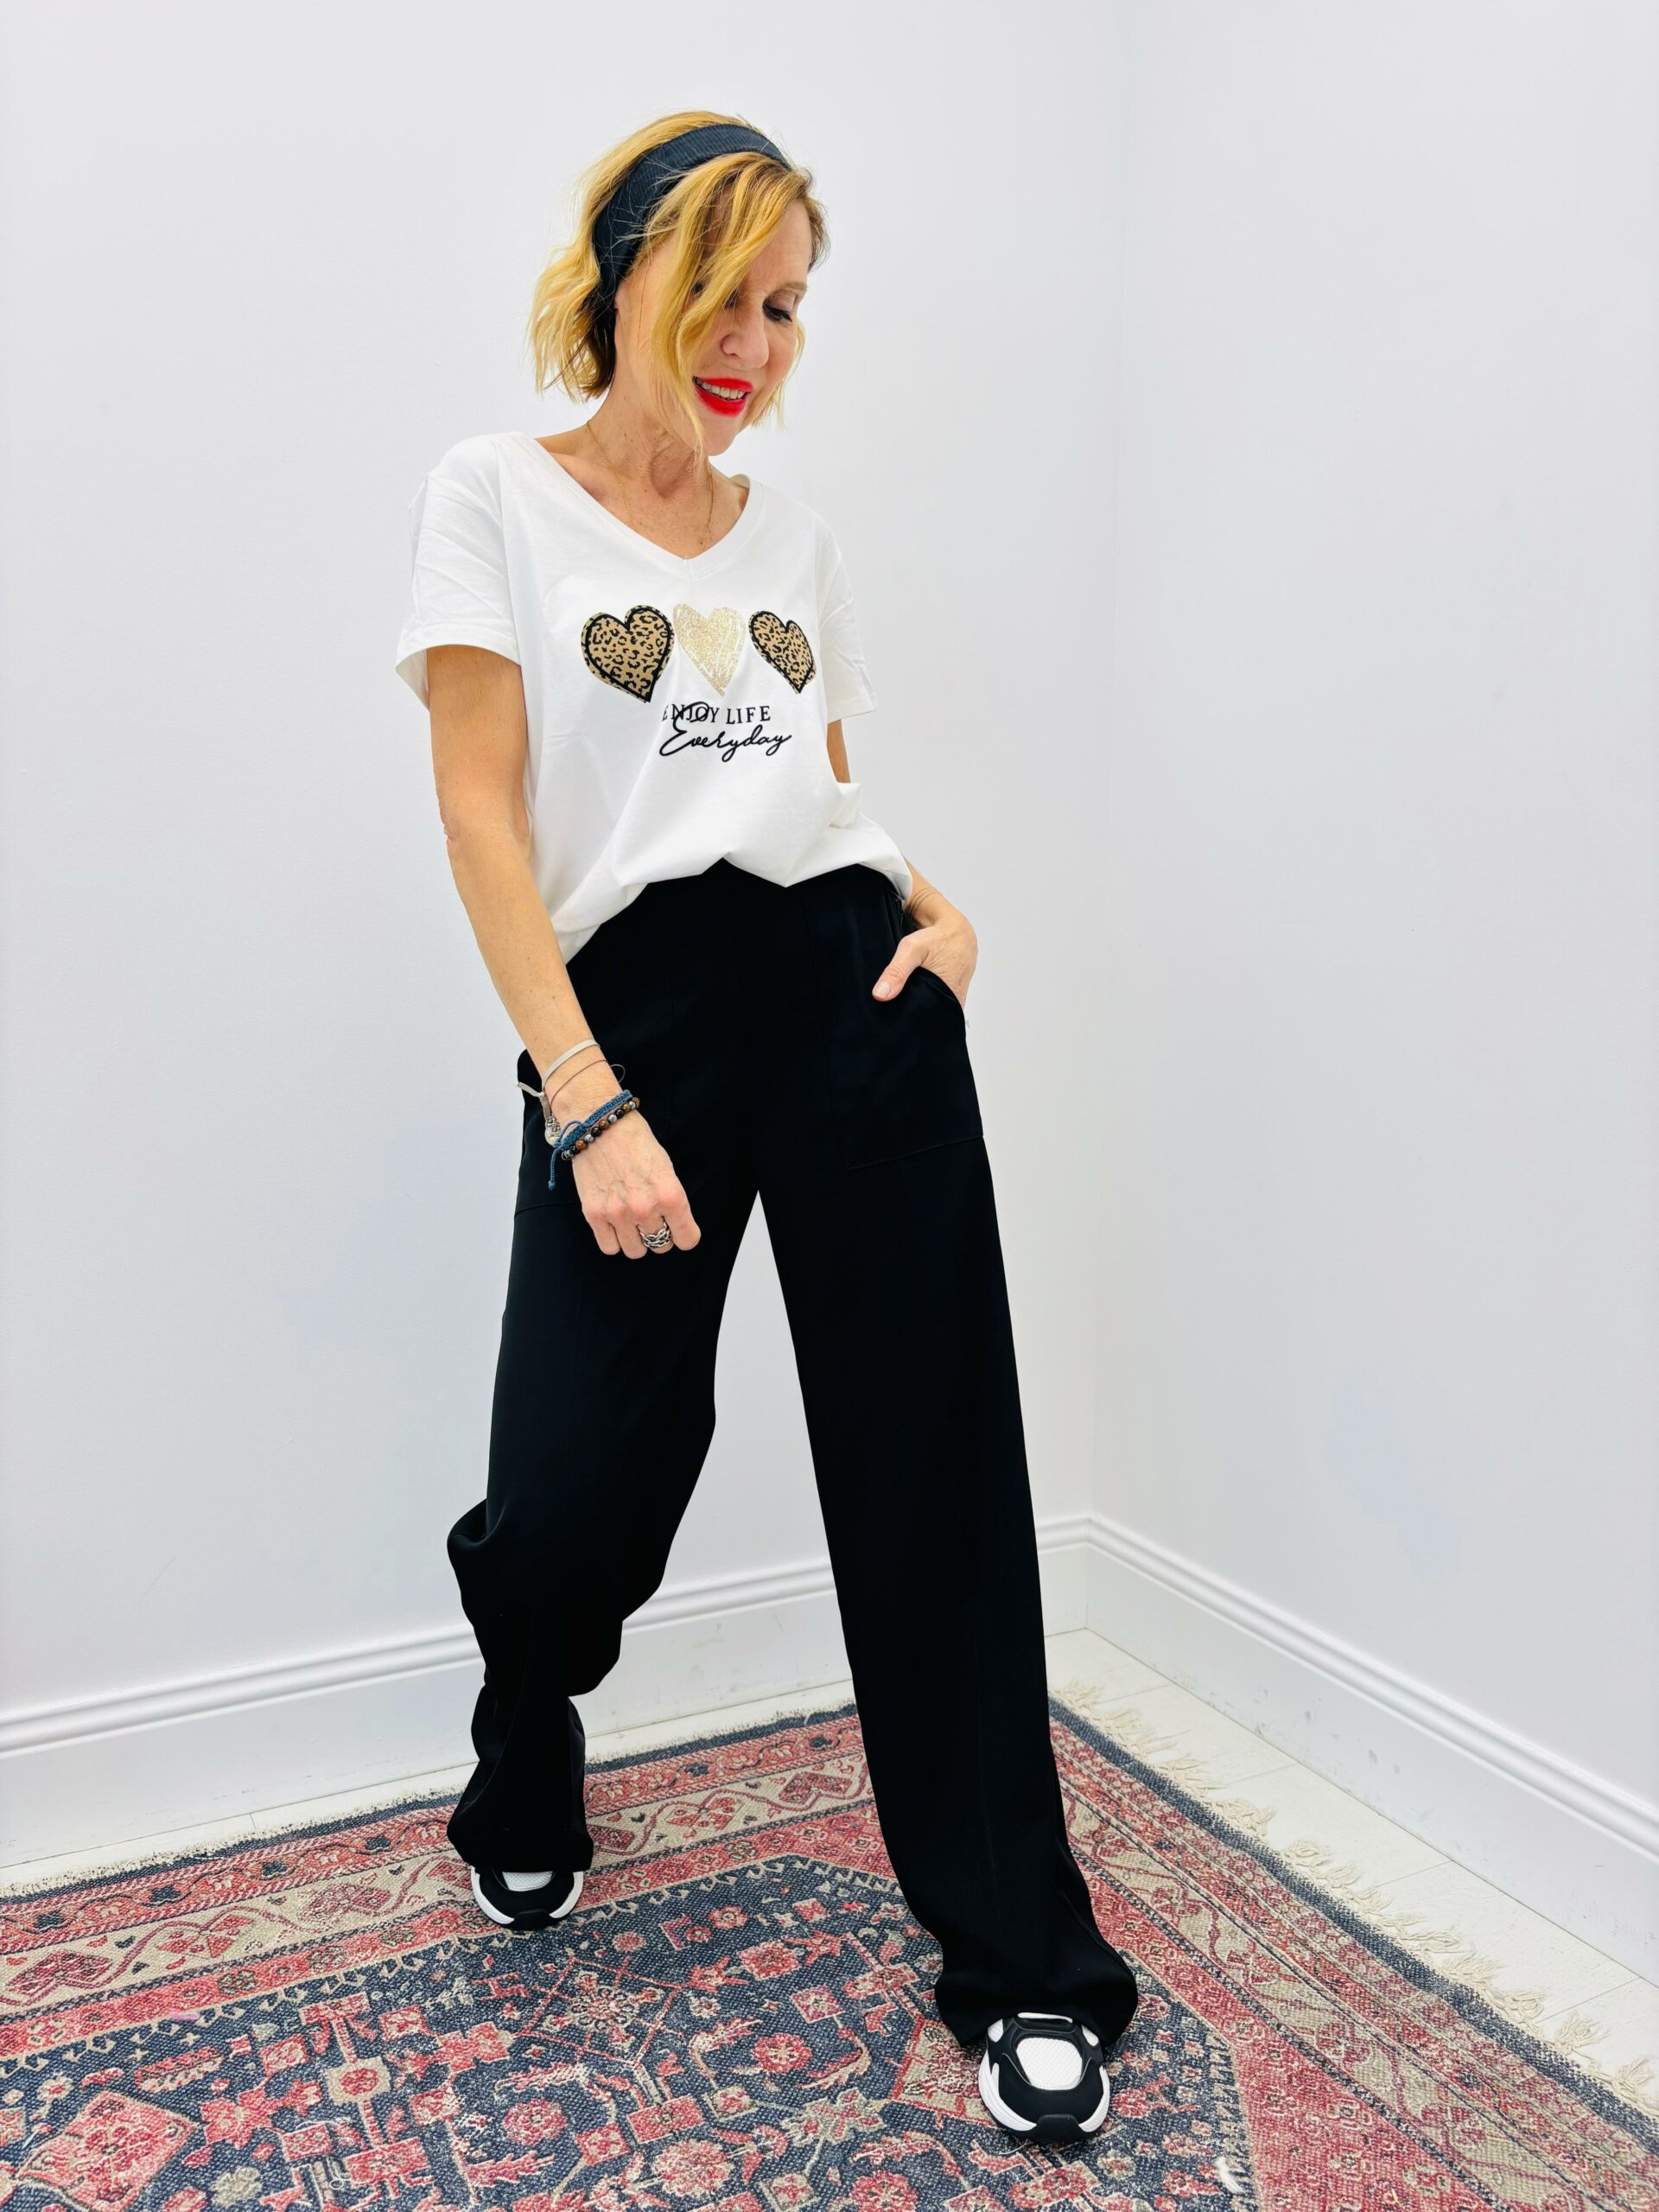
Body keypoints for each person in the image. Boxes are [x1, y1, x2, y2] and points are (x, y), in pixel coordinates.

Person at [393, 109, 1139, 2144]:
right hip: (629, 1017)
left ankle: (1022, 1948)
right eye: (722, 291)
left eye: (790, 308)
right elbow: (481, 813)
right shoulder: (494, 496)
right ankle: (529, 1709)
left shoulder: (794, 539)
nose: (754, 344)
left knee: (934, 1453)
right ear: (625, 270)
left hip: (848, 987)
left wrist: (939, 912)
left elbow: (820, 793)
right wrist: (586, 1094)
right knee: (577, 1488)